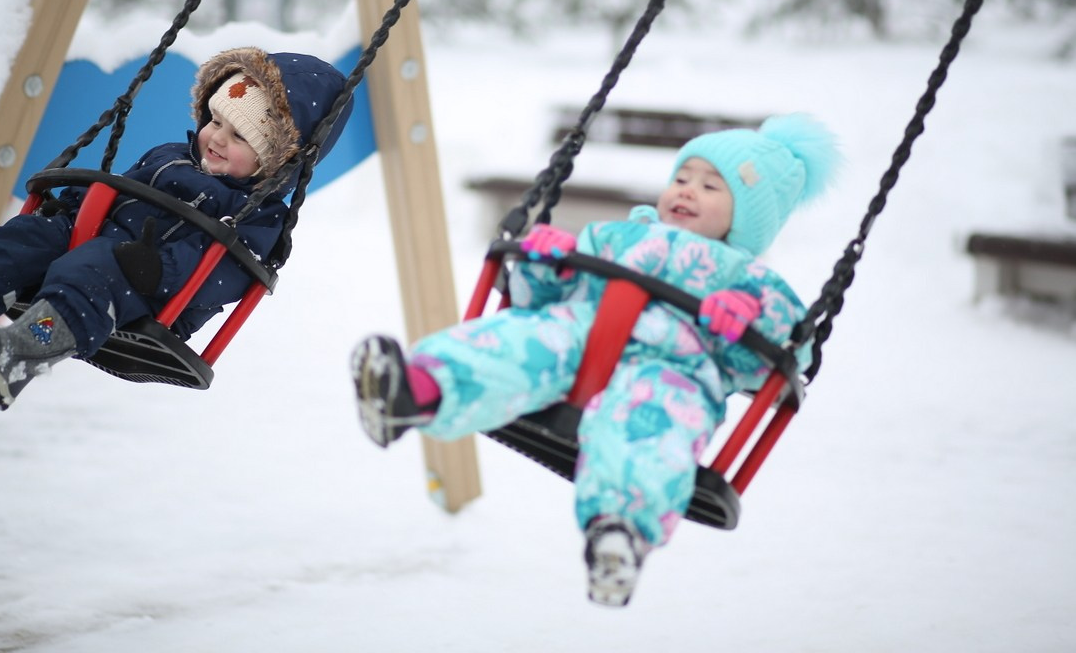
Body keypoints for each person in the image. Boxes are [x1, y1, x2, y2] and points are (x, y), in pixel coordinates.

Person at [349, 113, 840, 607]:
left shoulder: (753, 283)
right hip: (580, 333)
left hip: (673, 370)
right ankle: (414, 389)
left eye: (712, 186)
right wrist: (545, 261)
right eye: (682, 177)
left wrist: (748, 316)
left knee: (651, 428)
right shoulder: (619, 236)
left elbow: (786, 352)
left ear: (750, 218)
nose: (688, 190)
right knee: (519, 339)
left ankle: (619, 534)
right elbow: (550, 292)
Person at [0, 46, 353, 410]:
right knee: (11, 241)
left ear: (276, 159)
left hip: (155, 295)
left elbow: (227, 274)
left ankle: (21, 352)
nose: (216, 138)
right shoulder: (170, 155)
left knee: (92, 268)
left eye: (240, 138)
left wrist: (159, 269)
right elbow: (116, 194)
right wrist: (70, 209)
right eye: (216, 122)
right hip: (101, 246)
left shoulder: (259, 215)